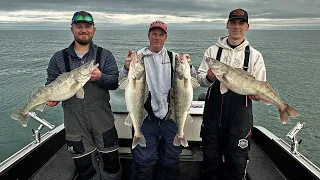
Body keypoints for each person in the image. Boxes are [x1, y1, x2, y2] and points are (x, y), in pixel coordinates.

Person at [46, 11, 121, 180]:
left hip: (103, 121)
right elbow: (50, 84)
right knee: (85, 169)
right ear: (72, 29)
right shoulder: (58, 58)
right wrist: (52, 98)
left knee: (111, 165)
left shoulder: (104, 55)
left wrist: (101, 77)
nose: (83, 30)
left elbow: (115, 82)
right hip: (74, 124)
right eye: (78, 26)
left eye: (87, 27)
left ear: (94, 30)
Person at [119, 20, 197, 180]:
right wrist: (127, 67)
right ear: (148, 35)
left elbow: (191, 79)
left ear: (166, 37)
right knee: (144, 162)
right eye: (154, 34)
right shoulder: (138, 57)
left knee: (171, 161)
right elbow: (121, 81)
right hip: (145, 118)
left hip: (170, 118)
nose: (157, 37)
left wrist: (189, 65)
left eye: (161, 34)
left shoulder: (174, 57)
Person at [197, 8, 266, 180]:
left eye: (241, 23)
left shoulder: (255, 56)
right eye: (233, 23)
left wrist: (257, 96)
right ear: (227, 25)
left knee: (236, 163)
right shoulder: (212, 52)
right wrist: (208, 77)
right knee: (210, 162)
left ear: (247, 26)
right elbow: (200, 80)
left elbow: (260, 86)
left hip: (240, 120)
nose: (237, 27)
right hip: (212, 118)